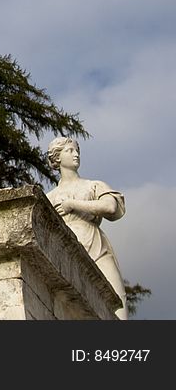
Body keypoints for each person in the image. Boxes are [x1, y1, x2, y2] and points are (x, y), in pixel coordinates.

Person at [46, 136, 127, 319]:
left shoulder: (93, 185)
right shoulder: (50, 197)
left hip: (96, 247)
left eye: (77, 151)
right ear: (57, 158)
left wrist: (72, 204)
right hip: (66, 252)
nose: (76, 155)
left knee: (117, 304)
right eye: (70, 151)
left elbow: (110, 207)